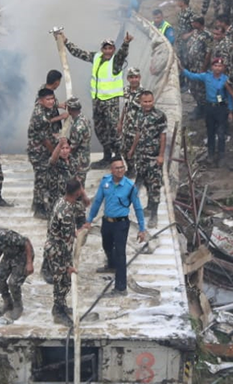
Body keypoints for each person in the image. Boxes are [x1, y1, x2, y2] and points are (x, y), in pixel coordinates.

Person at [61, 31, 133, 167]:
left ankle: (117, 157)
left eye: (110, 48)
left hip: (111, 101)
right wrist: (66, 42)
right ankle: (106, 155)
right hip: (98, 101)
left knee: (113, 130)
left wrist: (126, 43)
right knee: (100, 129)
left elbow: (123, 54)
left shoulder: (116, 61)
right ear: (102, 49)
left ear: (113, 49)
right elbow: (79, 53)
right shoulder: (96, 58)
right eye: (105, 48)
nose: (107, 51)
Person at [83, 158, 147, 296]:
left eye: (122, 167)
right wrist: (89, 220)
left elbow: (138, 208)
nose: (120, 170)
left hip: (121, 224)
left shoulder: (130, 187)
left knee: (120, 254)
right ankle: (111, 265)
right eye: (116, 168)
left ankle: (121, 287)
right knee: (106, 245)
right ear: (111, 170)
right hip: (107, 222)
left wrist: (142, 229)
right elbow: (98, 202)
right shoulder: (105, 182)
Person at [45, 179, 89, 326]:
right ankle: (58, 311)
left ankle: (61, 306)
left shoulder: (62, 202)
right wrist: (68, 265)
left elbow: (82, 206)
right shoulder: (66, 214)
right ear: (77, 192)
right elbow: (65, 241)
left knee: (63, 281)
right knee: (61, 281)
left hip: (56, 246)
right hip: (58, 251)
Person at [182, 58, 233, 166]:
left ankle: (221, 156)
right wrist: (181, 69)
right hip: (209, 108)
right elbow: (192, 76)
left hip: (221, 109)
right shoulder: (207, 76)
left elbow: (230, 96)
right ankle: (210, 155)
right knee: (210, 132)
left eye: (220, 66)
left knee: (221, 133)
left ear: (223, 68)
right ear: (212, 67)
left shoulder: (226, 79)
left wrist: (230, 111)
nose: (217, 68)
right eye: (215, 66)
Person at [126, 91, 168, 227]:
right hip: (141, 155)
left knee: (154, 185)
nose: (148, 104)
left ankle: (154, 214)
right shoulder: (139, 114)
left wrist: (161, 155)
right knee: (144, 181)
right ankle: (149, 207)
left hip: (154, 156)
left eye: (150, 101)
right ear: (140, 102)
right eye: (145, 101)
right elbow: (138, 133)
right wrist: (132, 149)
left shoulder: (159, 116)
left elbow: (163, 136)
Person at [27, 88, 59, 219]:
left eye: (52, 99)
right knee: (41, 179)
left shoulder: (46, 109)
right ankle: (39, 209)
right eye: (48, 99)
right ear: (40, 101)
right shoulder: (40, 115)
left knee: (44, 178)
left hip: (42, 150)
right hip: (38, 152)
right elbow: (45, 140)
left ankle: (36, 204)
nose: (51, 102)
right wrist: (54, 154)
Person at [180, 17, 212, 119]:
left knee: (200, 89)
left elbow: (208, 52)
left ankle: (202, 109)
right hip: (191, 65)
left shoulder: (207, 35)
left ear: (199, 23)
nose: (192, 24)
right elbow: (185, 38)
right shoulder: (195, 32)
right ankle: (198, 105)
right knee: (192, 87)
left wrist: (203, 68)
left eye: (194, 22)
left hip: (200, 66)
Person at [117, 68, 144, 174]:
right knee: (124, 149)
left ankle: (138, 171)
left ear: (139, 78)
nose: (134, 80)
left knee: (135, 150)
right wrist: (120, 122)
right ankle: (131, 169)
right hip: (126, 126)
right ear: (128, 78)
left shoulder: (143, 93)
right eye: (131, 77)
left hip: (137, 127)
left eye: (136, 77)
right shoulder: (126, 91)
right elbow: (125, 106)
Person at [66, 97, 92, 187]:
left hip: (78, 160)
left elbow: (73, 147)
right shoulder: (84, 118)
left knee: (77, 185)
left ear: (69, 109)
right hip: (85, 156)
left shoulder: (77, 126)